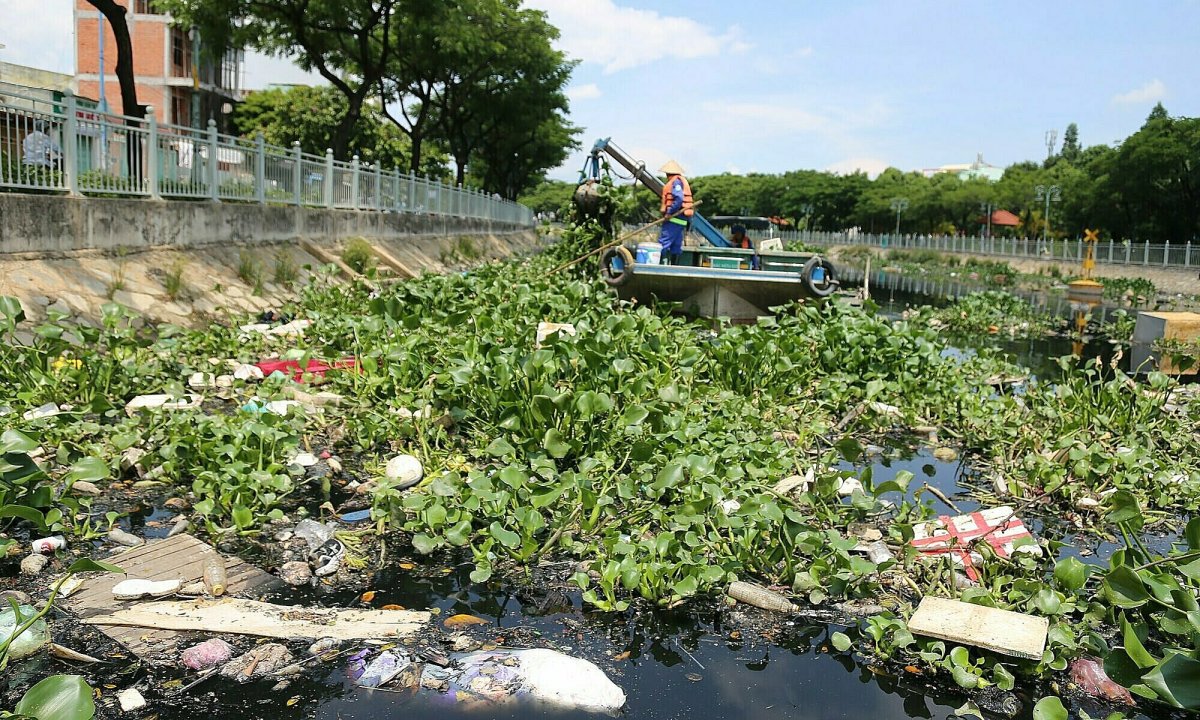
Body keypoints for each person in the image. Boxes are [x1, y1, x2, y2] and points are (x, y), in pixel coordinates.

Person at [656, 160, 693, 264]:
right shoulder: (680, 180)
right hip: (681, 220)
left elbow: (679, 199)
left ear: (668, 174)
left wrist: (669, 212)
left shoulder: (676, 182)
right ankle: (674, 268)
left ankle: (656, 266)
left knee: (664, 243)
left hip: (674, 219)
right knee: (676, 246)